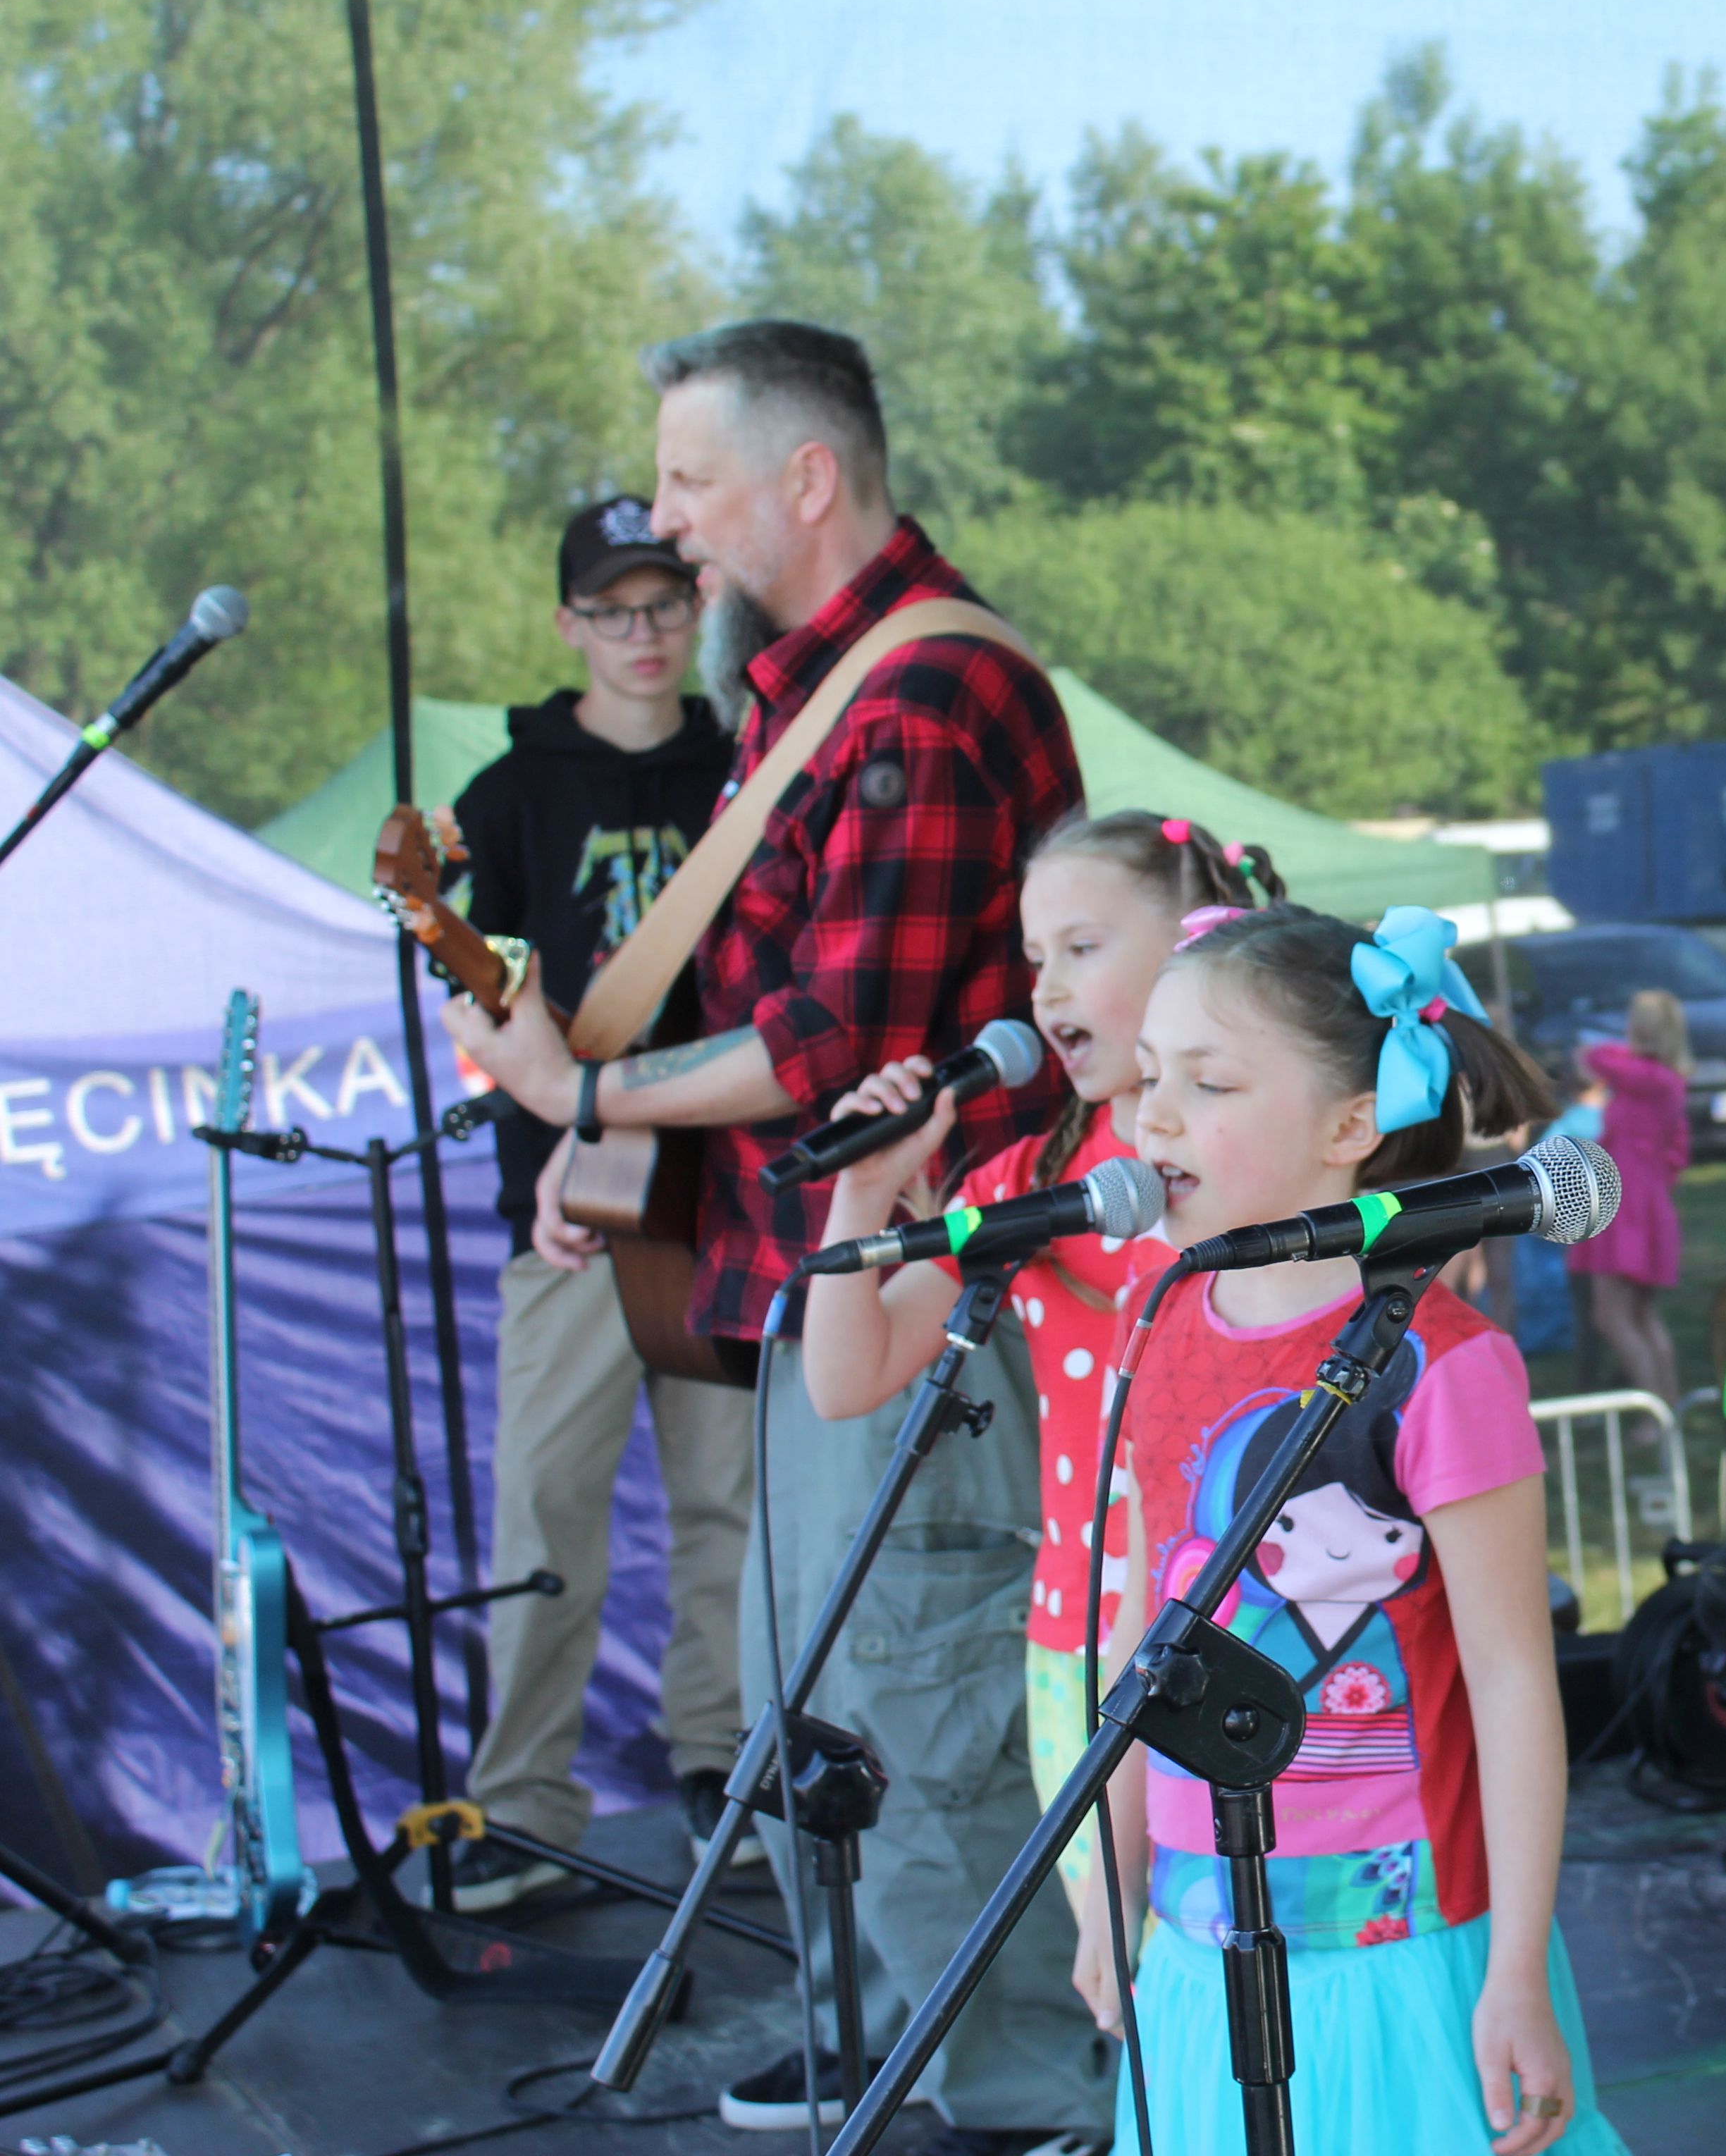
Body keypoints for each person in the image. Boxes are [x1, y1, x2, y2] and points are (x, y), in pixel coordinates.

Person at [445, 320, 1092, 2143]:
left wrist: (586, 1095)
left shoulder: (922, 696)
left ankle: (1007, 2078)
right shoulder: (811, 694)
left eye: (691, 481)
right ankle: (875, 2025)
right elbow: (765, 1010)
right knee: (820, 1684)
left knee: (917, 1678)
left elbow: (836, 1041)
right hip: (822, 1280)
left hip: (921, 1287)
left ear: (807, 479)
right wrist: (616, 1153)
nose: (668, 522)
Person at [1081, 904, 1622, 2155]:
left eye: (1209, 1082)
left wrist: (1516, 1971)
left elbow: (1510, 1681)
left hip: (1404, 1945)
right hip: (1198, 1935)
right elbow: (1138, 1635)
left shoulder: (1444, 1363)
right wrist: (1110, 1886)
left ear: (1350, 1128)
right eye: (1148, 1077)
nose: (1154, 1119)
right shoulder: (1154, 1321)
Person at [796, 816, 1281, 1909]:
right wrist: (863, 1191)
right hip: (1076, 1638)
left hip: (1258, 1625)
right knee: (1122, 1966)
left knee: (1259, 1948)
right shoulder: (1028, 1181)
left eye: (1082, 947)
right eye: (1034, 958)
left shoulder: (1261, 1166)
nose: (1046, 988)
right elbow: (845, 1378)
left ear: (1197, 942)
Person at [440, 495, 746, 1912]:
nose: (642, 635)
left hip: (727, 1195)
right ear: (569, 624)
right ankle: (517, 1803)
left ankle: (726, 1766)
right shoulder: (509, 796)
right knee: (545, 1508)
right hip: (567, 1208)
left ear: (698, 609)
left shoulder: (746, 767)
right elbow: (480, 997)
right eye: (613, 611)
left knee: (728, 1504)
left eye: (664, 604)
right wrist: (559, 1125)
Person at [1565, 989, 1691, 1407]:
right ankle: (1666, 1406)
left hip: (1628, 1207)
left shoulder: (1646, 1079)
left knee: (1612, 1315)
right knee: (1641, 1314)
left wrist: (1630, 1045)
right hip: (1646, 1202)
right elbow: (1678, 1152)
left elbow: (1593, 1057)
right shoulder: (1666, 1082)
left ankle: (1655, 1406)